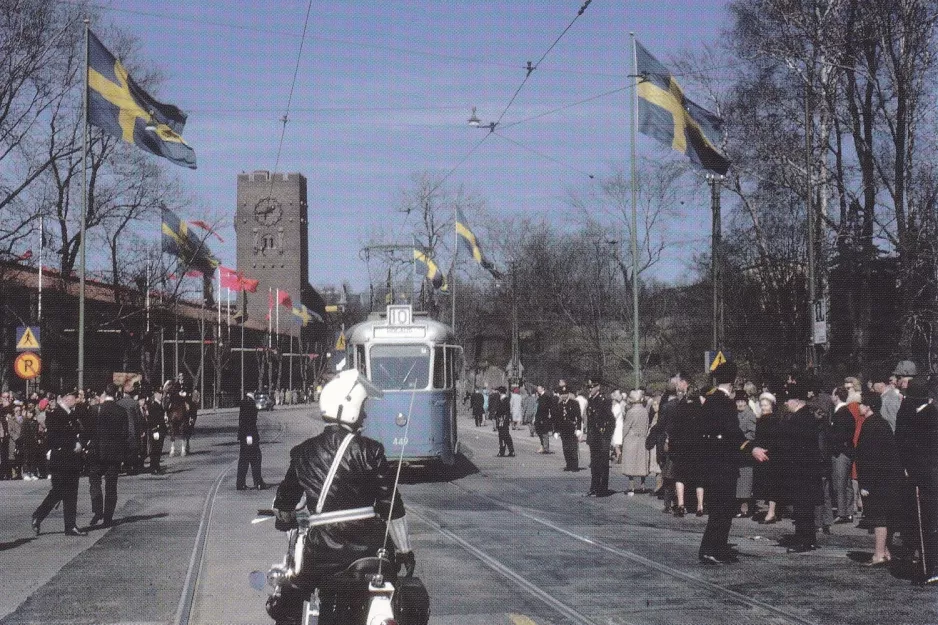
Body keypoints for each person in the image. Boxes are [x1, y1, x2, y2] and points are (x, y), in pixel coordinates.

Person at [271, 369, 414, 624]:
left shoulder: (302, 453)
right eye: (362, 409)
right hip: (369, 549)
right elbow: (391, 505)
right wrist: (404, 550)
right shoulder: (371, 451)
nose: (365, 415)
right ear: (351, 409)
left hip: (320, 553)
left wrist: (284, 517)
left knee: (289, 596)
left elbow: (284, 501)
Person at [756, 382, 825, 554]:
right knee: (804, 506)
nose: (785, 404)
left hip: (800, 469)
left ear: (795, 400)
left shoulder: (798, 419)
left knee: (802, 506)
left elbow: (786, 443)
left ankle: (804, 540)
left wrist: (770, 450)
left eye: (787, 400)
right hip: (805, 469)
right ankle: (806, 538)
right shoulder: (806, 417)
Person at [696, 361, 748, 565]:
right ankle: (712, 548)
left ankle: (714, 547)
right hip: (723, 463)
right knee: (723, 510)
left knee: (720, 509)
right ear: (733, 381)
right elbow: (732, 432)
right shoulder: (725, 402)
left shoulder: (710, 400)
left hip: (712, 462)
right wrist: (750, 447)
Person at [855, 390, 909, 567]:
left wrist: (866, 484)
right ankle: (886, 552)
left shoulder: (871, 425)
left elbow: (870, 457)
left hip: (878, 481)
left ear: (869, 406)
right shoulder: (882, 423)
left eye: (862, 404)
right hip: (889, 479)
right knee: (886, 517)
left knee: (878, 518)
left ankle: (879, 554)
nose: (859, 406)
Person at [894, 373, 938, 584]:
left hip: (923, 476)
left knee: (925, 523)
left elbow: (906, 447)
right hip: (925, 473)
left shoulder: (919, 417)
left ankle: (929, 567)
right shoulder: (925, 414)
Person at [32, 390, 87, 536]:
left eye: (74, 397)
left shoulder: (73, 414)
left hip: (72, 459)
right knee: (58, 492)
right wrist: (73, 444)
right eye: (71, 396)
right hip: (61, 458)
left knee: (71, 493)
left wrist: (80, 443)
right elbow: (55, 438)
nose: (74, 399)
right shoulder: (55, 415)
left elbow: (81, 431)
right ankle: (38, 515)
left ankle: (70, 526)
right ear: (62, 399)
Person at [87, 384, 129, 527]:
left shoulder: (95, 410)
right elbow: (125, 434)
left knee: (94, 481)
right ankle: (108, 517)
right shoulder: (122, 411)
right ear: (116, 394)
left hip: (97, 452)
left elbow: (88, 430)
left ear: (104, 394)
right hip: (114, 454)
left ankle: (97, 509)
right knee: (111, 486)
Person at [753, 392, 782, 524]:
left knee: (772, 485)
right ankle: (770, 511)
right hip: (762, 455)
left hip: (771, 455)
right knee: (765, 484)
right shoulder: (760, 420)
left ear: (771, 406)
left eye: (766, 405)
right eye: (762, 405)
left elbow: (775, 439)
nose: (763, 407)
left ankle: (771, 512)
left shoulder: (774, 420)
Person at [829, 385, 856, 524]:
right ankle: (849, 511)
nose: (831, 397)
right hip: (847, 452)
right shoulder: (847, 412)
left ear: (836, 396)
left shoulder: (841, 413)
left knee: (840, 482)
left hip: (841, 453)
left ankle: (842, 512)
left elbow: (839, 435)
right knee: (847, 483)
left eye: (832, 394)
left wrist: (834, 448)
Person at [585, 376, 614, 497]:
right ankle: (594, 486)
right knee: (594, 463)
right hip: (594, 436)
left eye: (592, 387)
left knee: (602, 463)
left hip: (602, 436)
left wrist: (607, 435)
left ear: (598, 387)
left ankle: (602, 488)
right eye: (589, 387)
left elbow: (611, 419)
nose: (590, 389)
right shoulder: (591, 400)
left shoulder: (603, 400)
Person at [621, 390, 650, 495]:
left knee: (631, 463)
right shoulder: (645, 411)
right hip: (642, 438)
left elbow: (626, 427)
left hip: (631, 438)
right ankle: (642, 485)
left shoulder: (631, 412)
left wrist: (622, 439)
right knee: (641, 463)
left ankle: (631, 486)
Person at [237, 392, 269, 489]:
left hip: (243, 437)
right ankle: (258, 482)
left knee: (243, 460)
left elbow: (242, 421)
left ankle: (240, 483)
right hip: (250, 437)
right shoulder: (250, 405)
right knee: (256, 459)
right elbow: (250, 422)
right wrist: (250, 436)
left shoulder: (243, 403)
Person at [734, 390, 758, 518]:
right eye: (738, 401)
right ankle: (738, 506)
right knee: (738, 479)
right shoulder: (735, 414)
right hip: (736, 451)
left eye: (742, 401)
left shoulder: (750, 415)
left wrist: (743, 442)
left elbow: (752, 434)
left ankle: (745, 507)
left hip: (746, 450)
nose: (740, 404)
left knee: (746, 479)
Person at [554, 384, 582, 471]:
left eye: (565, 394)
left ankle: (575, 466)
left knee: (573, 447)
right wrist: (556, 430)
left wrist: (578, 429)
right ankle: (568, 464)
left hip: (571, 428)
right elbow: (557, 418)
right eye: (562, 394)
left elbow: (579, 417)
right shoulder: (559, 405)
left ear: (568, 394)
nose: (564, 396)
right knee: (565, 448)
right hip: (563, 429)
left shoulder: (574, 403)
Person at [145, 389, 168, 474]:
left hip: (159, 429)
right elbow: (153, 419)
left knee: (158, 449)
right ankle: (154, 467)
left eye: (162, 394)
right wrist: (155, 430)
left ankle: (156, 466)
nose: (161, 395)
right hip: (156, 430)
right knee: (155, 449)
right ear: (155, 394)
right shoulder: (154, 405)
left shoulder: (158, 404)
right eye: (160, 393)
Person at [493, 386, 514, 457]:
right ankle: (511, 451)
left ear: (500, 392)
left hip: (502, 420)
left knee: (502, 436)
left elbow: (501, 410)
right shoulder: (505, 399)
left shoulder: (503, 399)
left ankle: (502, 451)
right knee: (506, 436)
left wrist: (496, 413)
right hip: (504, 419)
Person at [533, 385, 554, 453]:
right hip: (539, 417)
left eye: (539, 388)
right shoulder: (540, 397)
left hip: (543, 417)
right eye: (537, 389)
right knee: (539, 431)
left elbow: (547, 407)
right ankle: (543, 446)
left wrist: (549, 415)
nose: (538, 390)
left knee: (544, 433)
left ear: (543, 389)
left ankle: (545, 448)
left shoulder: (546, 397)